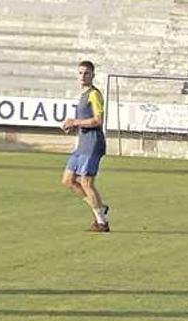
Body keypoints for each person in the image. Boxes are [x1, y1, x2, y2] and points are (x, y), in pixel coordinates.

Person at [60, 60, 109, 232]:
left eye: (86, 73)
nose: (83, 76)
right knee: (68, 180)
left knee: (86, 182)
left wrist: (75, 121)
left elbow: (98, 120)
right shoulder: (83, 95)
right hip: (82, 144)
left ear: (93, 75)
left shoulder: (94, 94)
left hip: (93, 144)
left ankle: (101, 222)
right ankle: (99, 208)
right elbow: (84, 121)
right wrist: (73, 126)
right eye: (80, 73)